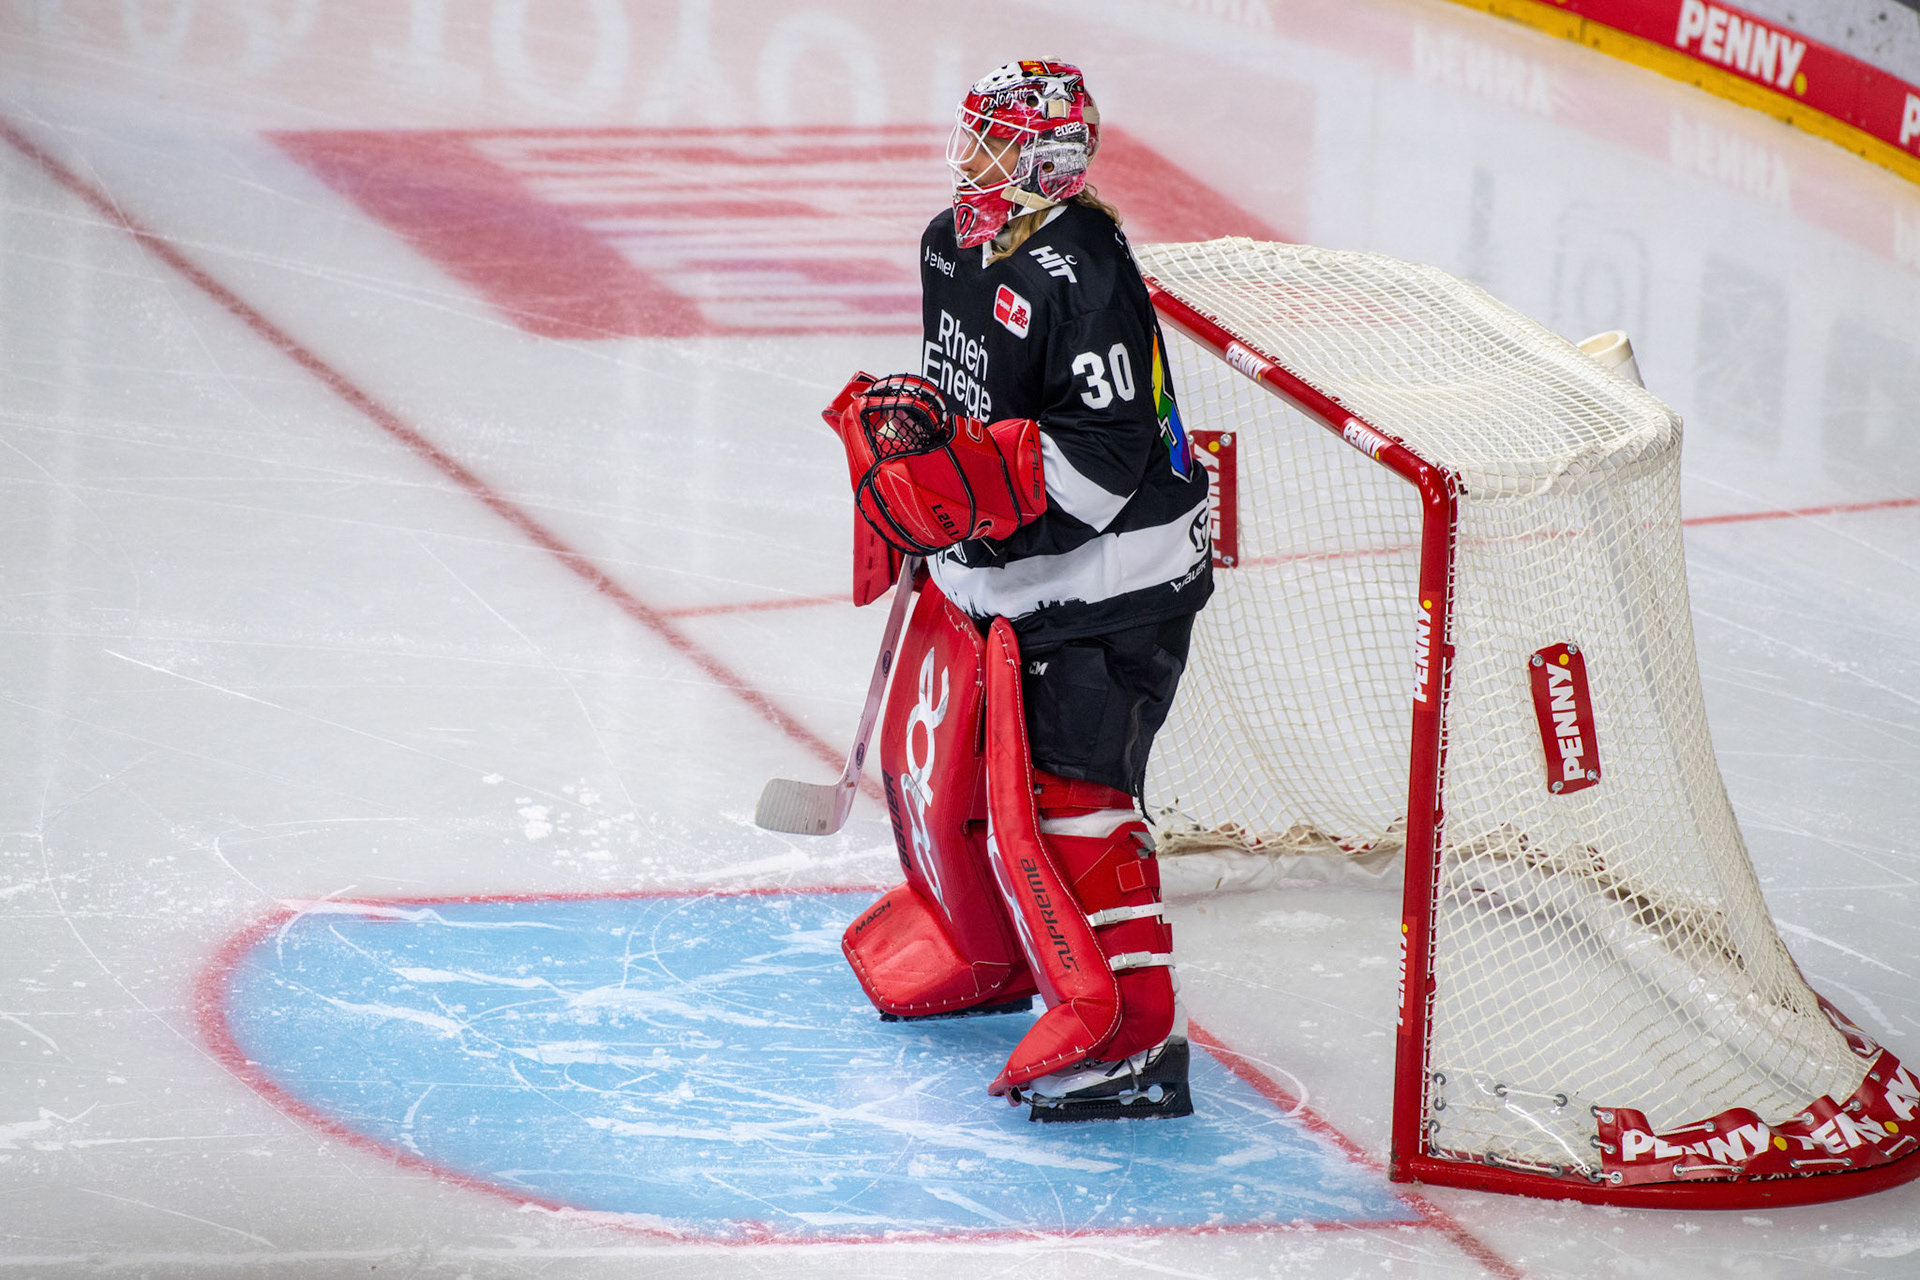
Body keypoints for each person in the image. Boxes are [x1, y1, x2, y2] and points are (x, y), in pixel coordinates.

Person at [823, 59, 1212, 1121]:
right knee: (968, 771)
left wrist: (977, 503)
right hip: (1029, 571)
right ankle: (989, 949)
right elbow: (968, 406)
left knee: (1071, 799)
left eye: (998, 142)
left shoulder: (1087, 269)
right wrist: (930, 485)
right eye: (976, 136)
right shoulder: (950, 243)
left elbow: (1104, 461)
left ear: (1053, 159)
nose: (975, 158)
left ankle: (1136, 1040)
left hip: (1118, 584)